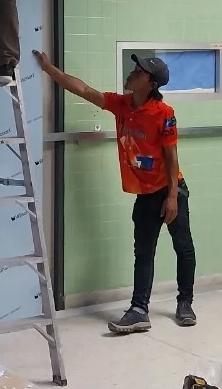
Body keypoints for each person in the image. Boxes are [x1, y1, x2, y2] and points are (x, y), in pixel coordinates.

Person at [34, 49, 197, 334]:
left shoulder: (164, 114)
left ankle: (185, 303)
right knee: (143, 253)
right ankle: (139, 311)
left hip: (170, 190)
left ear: (152, 84)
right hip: (145, 194)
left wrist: (172, 196)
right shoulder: (121, 105)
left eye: (139, 72)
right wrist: (49, 69)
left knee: (183, 247)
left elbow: (172, 158)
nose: (132, 73)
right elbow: (84, 90)